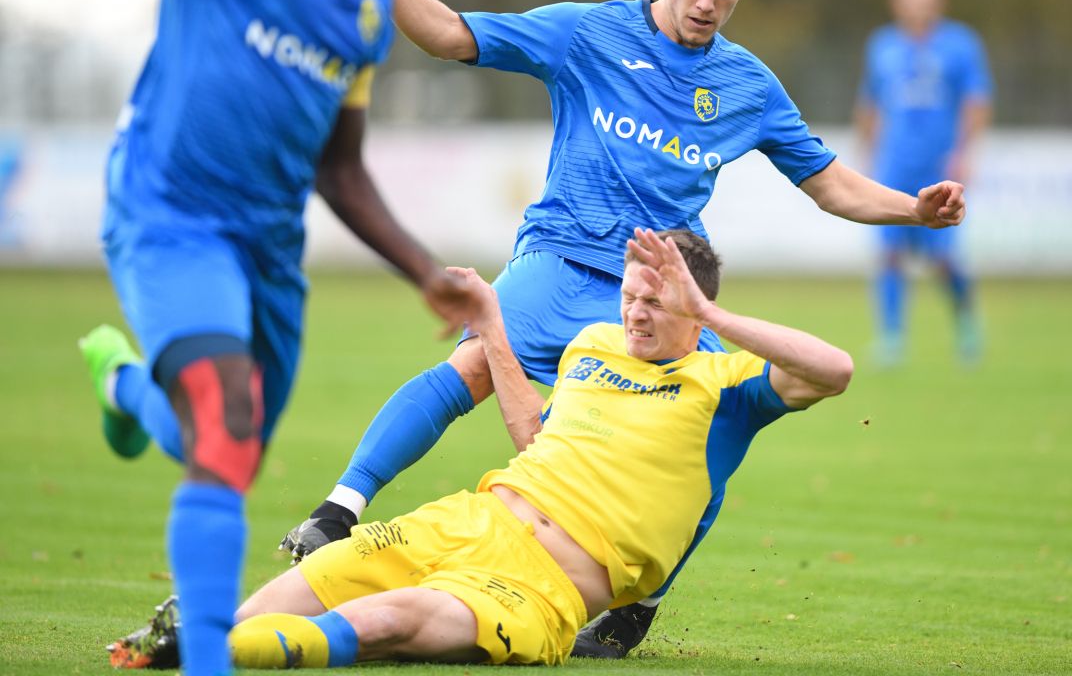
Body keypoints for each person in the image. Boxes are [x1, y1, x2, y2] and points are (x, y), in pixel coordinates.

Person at [281, 0, 966, 658]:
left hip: (658, 288)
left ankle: (639, 606)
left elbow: (831, 184)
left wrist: (914, 210)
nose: (705, 4)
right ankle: (338, 511)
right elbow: (447, 35)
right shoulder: (587, 33)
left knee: (715, 421)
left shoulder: (748, 86)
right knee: (472, 367)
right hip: (561, 256)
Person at [0, 0, 473, 674]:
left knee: (225, 442)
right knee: (224, 417)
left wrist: (422, 271)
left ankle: (123, 386)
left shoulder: (367, 6)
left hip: (269, 254)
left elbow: (340, 169)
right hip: (172, 216)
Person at [114, 228, 855, 668]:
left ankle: (210, 654)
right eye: (630, 295)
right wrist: (493, 325)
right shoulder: (593, 344)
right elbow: (537, 437)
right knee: (323, 577)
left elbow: (835, 370)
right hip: (473, 517)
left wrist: (712, 315)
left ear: (694, 309)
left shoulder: (729, 384)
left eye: (656, 303)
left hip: (543, 587)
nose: (634, 313)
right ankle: (187, 637)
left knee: (393, 620)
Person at [854, 0, 993, 366]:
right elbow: (870, 103)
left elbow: (976, 101)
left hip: (939, 166)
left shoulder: (960, 44)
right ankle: (891, 338)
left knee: (943, 259)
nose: (916, 5)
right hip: (895, 165)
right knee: (889, 253)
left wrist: (965, 152)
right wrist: (867, 154)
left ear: (938, 1)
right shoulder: (882, 45)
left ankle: (966, 324)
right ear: (896, 3)